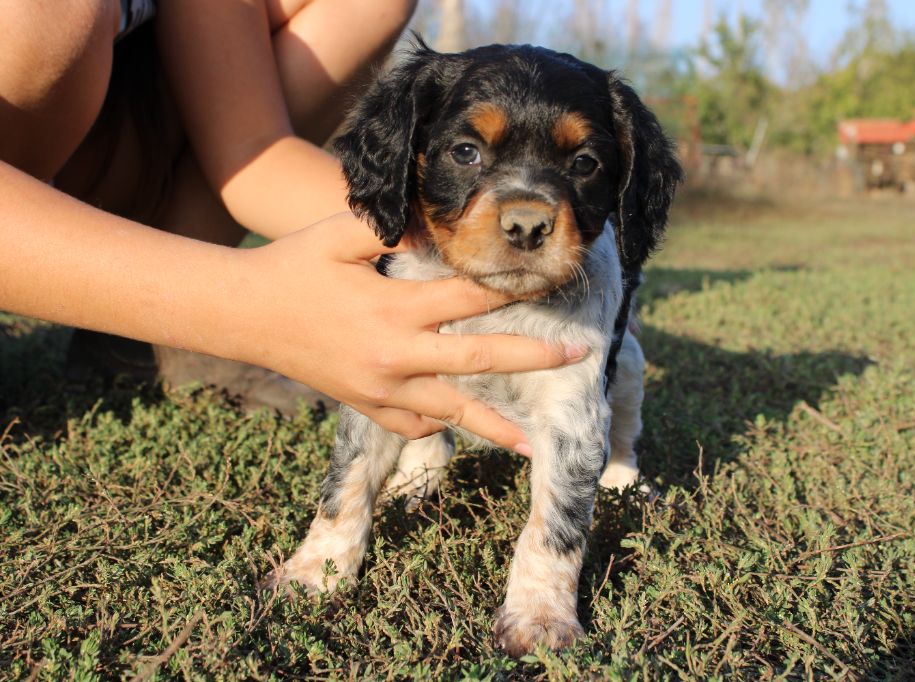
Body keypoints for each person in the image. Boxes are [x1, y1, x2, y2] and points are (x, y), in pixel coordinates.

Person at [0, 0, 586, 456]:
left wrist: (441, 245)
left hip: (119, 162)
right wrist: (253, 307)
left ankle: (133, 337)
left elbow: (254, 151)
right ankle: (156, 309)